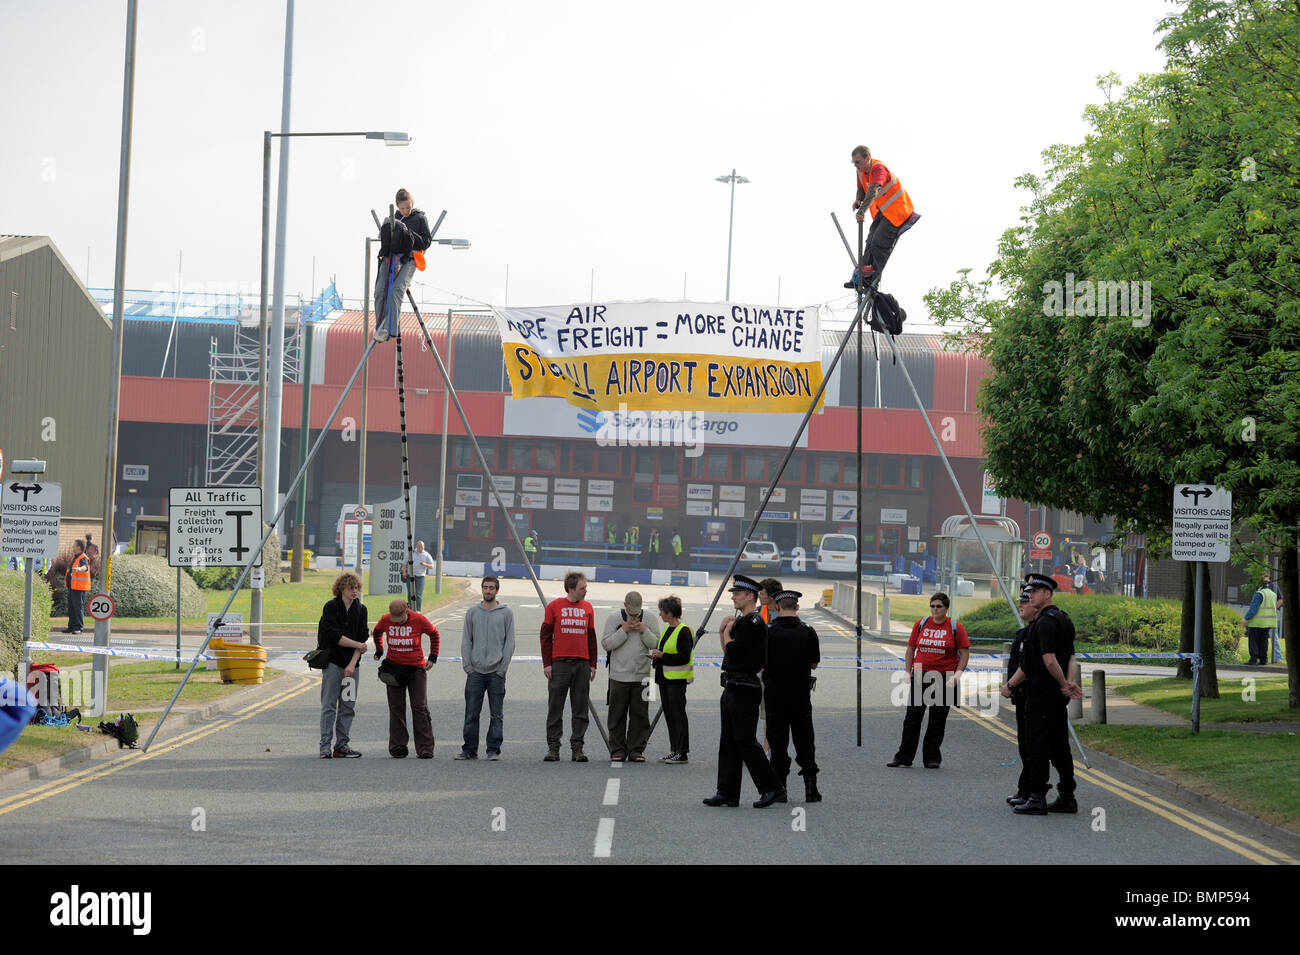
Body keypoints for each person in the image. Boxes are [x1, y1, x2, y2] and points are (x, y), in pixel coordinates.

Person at [704, 574, 785, 808]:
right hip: (732, 684)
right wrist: (724, 634)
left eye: (737, 594)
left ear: (750, 596)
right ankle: (727, 792)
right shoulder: (741, 621)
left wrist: (727, 635)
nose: (733, 598)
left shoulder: (754, 623)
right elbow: (729, 653)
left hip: (745, 687)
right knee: (728, 741)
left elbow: (737, 651)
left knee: (745, 740)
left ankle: (772, 787)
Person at [1007, 574, 1082, 815]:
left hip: (1041, 694)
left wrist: (1063, 683)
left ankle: (1037, 796)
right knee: (1060, 746)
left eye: (1035, 591)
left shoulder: (1043, 623)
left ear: (1047, 594)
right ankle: (1067, 795)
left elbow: (1048, 660)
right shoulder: (1063, 619)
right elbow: (1070, 657)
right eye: (1029, 592)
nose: (1030, 595)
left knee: (1036, 744)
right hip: (1056, 696)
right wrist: (1068, 684)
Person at [887, 591, 970, 769]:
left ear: (946, 608)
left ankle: (932, 758)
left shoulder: (955, 627)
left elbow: (964, 652)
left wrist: (957, 674)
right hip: (920, 675)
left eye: (939, 606)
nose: (935, 609)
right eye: (932, 606)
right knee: (912, 718)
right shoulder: (921, 624)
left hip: (944, 678)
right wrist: (907, 671)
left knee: (937, 720)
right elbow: (910, 648)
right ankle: (903, 757)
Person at [764, 590, 822, 802]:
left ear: (777, 607)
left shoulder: (768, 631)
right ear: (797, 607)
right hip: (800, 694)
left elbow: (761, 661)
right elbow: (814, 663)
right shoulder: (808, 631)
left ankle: (780, 788)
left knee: (778, 741)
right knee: (805, 739)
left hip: (775, 693)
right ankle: (810, 789)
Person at [540, 571, 598, 761]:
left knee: (580, 708)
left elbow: (591, 638)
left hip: (581, 664)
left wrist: (593, 664)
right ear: (571, 588)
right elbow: (545, 637)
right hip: (559, 664)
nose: (586, 591)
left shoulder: (588, 608)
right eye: (583, 588)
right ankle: (553, 747)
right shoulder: (554, 606)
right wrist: (547, 664)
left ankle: (577, 748)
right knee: (555, 707)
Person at [844, 144, 920, 289]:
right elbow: (861, 188)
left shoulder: (878, 168)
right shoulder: (860, 171)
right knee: (870, 241)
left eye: (858, 162)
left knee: (879, 241)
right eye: (853, 163)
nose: (855, 166)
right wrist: (858, 199)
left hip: (898, 210)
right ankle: (862, 276)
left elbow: (873, 190)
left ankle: (872, 278)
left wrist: (862, 211)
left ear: (868, 158)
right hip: (884, 211)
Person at [372, 598, 439, 759]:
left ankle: (425, 747)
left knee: (419, 707)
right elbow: (377, 632)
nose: (398, 622)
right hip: (394, 669)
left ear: (407, 609)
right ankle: (398, 745)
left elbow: (434, 634)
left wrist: (433, 657)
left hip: (416, 668)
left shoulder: (419, 619)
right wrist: (379, 649)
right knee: (396, 707)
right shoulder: (385, 619)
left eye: (400, 618)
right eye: (395, 619)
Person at [457, 575, 515, 760]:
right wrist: (468, 666)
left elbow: (510, 643)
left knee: (496, 714)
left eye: (491, 587)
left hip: (496, 672)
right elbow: (467, 640)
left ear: (497, 590)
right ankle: (469, 750)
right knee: (471, 714)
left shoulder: (506, 613)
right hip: (475, 672)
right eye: (485, 587)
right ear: (482, 589)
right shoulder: (472, 612)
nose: (488, 591)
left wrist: (502, 669)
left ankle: (493, 750)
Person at [601, 591, 660, 761]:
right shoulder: (614, 618)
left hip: (644, 675)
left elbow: (657, 644)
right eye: (631, 612)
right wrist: (624, 630)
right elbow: (606, 644)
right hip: (618, 675)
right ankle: (617, 749)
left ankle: (636, 750)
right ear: (625, 605)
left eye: (637, 612)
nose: (634, 615)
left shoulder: (650, 618)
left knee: (641, 715)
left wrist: (644, 631)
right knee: (616, 714)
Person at [317, 572, 370, 758]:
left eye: (356, 588)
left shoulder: (361, 610)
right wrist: (358, 645)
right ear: (341, 589)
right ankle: (325, 745)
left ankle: (342, 745)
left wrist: (352, 664)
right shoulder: (331, 607)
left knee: (348, 706)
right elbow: (333, 636)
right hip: (333, 663)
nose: (354, 591)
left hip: (351, 666)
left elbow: (363, 636)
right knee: (329, 705)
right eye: (350, 588)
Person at [373, 188, 433, 342]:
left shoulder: (419, 218)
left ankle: (390, 329)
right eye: (402, 208)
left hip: (410, 258)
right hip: (392, 257)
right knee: (380, 291)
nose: (406, 211)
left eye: (408, 207)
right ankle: (380, 325)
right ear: (398, 206)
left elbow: (426, 241)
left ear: (412, 204)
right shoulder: (395, 218)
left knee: (396, 290)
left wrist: (410, 235)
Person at [1000, 587, 1040, 805]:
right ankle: (1026, 789)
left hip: (1033, 696)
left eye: (1025, 602)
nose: (1021, 606)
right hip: (1023, 697)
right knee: (1025, 746)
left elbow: (1027, 666)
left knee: (1033, 747)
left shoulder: (1036, 632)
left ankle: (1034, 792)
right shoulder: (1024, 633)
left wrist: (1009, 685)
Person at [652, 594, 693, 763]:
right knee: (669, 715)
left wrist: (662, 656)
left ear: (669, 612)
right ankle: (674, 749)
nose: (660, 614)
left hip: (676, 680)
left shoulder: (683, 631)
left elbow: (683, 657)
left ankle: (682, 751)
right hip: (664, 679)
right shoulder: (667, 630)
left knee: (678, 715)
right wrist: (656, 657)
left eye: (662, 611)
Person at [1243, 573, 1278, 666]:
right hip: (1268, 622)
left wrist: (1246, 618)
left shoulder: (1259, 594)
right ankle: (1263, 660)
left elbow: (1253, 609)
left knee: (1253, 640)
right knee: (1264, 641)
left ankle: (1253, 659)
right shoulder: (1273, 594)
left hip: (1256, 622)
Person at [63, 541, 91, 635]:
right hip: (73, 587)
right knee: (71, 608)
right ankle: (71, 627)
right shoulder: (76, 557)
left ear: (79, 547)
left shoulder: (82, 557)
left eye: (74, 546)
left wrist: (79, 569)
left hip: (79, 588)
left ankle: (79, 627)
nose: (72, 547)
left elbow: (85, 567)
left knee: (78, 608)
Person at [404, 540, 435, 611]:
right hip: (410, 576)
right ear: (416, 546)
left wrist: (425, 564)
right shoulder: (411, 553)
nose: (421, 548)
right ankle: (410, 609)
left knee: (418, 594)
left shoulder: (426, 555)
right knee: (410, 593)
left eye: (422, 547)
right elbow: (404, 564)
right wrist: (404, 572)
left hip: (420, 576)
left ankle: (417, 609)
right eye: (419, 546)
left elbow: (432, 566)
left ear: (424, 547)